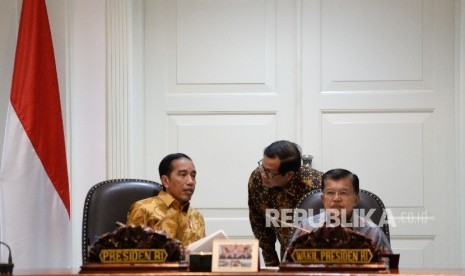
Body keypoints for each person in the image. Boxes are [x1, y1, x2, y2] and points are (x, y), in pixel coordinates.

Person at [248, 140, 323, 266]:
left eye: (269, 172)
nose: (262, 174)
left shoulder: (316, 187)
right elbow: (258, 222)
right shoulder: (257, 179)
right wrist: (271, 263)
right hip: (286, 253)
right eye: (262, 166)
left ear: (288, 175)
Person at [286, 168, 392, 254]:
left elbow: (389, 270)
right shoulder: (305, 228)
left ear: (356, 200)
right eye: (331, 193)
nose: (336, 198)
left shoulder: (372, 233)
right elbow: (288, 267)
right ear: (323, 199)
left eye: (343, 193)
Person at [126, 153, 206, 246]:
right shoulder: (143, 209)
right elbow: (129, 253)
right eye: (183, 175)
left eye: (193, 176)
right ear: (165, 181)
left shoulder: (197, 217)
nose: (190, 182)